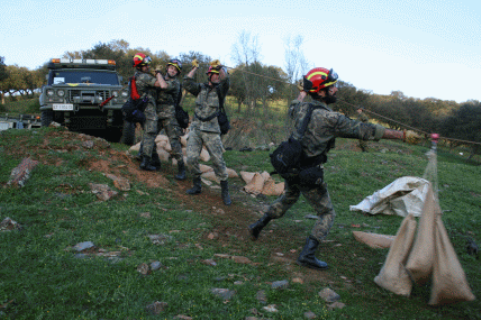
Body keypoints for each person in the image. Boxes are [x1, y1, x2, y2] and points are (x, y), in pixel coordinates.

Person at [248, 67, 421, 270]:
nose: (336, 90)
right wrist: (401, 135)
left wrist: (303, 91)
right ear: (321, 92)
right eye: (332, 87)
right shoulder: (332, 119)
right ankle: (307, 255)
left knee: (288, 198)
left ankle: (257, 225)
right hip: (308, 174)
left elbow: (295, 103)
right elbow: (367, 130)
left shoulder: (299, 109)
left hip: (291, 167)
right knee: (327, 213)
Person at [182, 59, 232, 205]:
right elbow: (186, 83)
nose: (217, 76)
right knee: (191, 158)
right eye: (214, 74)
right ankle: (197, 185)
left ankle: (225, 191)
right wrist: (194, 68)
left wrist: (220, 67)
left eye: (218, 74)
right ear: (209, 75)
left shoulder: (221, 90)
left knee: (218, 161)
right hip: (196, 128)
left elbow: (226, 80)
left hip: (211, 130)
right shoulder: (200, 88)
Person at [133, 54, 170, 172]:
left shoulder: (137, 76)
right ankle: (145, 162)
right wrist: (159, 72)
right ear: (140, 66)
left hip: (141, 109)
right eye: (146, 64)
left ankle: (143, 156)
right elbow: (162, 85)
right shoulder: (144, 77)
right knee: (150, 133)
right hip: (148, 108)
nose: (148, 66)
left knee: (148, 133)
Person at [153, 58, 186, 180]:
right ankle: (153, 161)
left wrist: (157, 73)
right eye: (171, 68)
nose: (173, 71)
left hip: (169, 115)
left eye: (175, 70)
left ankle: (181, 169)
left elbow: (164, 86)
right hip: (157, 113)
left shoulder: (175, 83)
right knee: (149, 137)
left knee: (174, 142)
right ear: (167, 68)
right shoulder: (161, 78)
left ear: (178, 73)